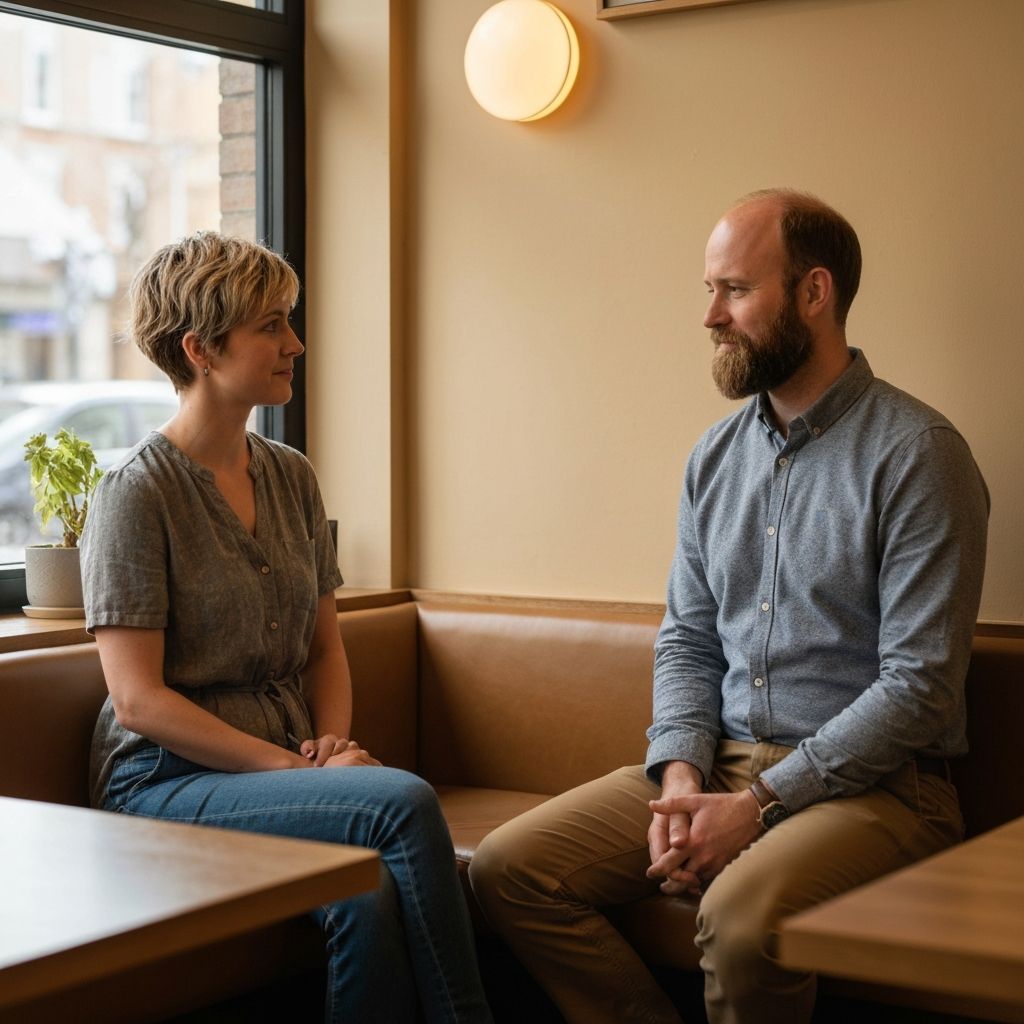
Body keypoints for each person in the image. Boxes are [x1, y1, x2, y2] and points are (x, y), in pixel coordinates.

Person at [468, 189, 989, 1024]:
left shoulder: (921, 455)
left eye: (736, 290)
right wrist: (680, 779)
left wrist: (759, 805)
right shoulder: (713, 459)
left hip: (884, 791)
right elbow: (688, 642)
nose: (710, 314)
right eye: (709, 290)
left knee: (738, 920)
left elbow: (920, 687)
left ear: (814, 294)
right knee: (508, 868)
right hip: (720, 764)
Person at [81, 232, 493, 1024]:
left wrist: (332, 747)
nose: (294, 344)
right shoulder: (133, 495)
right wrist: (298, 773)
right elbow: (138, 704)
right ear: (201, 348)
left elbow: (324, 646)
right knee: (401, 802)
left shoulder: (292, 475)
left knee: (364, 893)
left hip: (281, 771)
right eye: (272, 325)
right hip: (162, 783)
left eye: (288, 322)